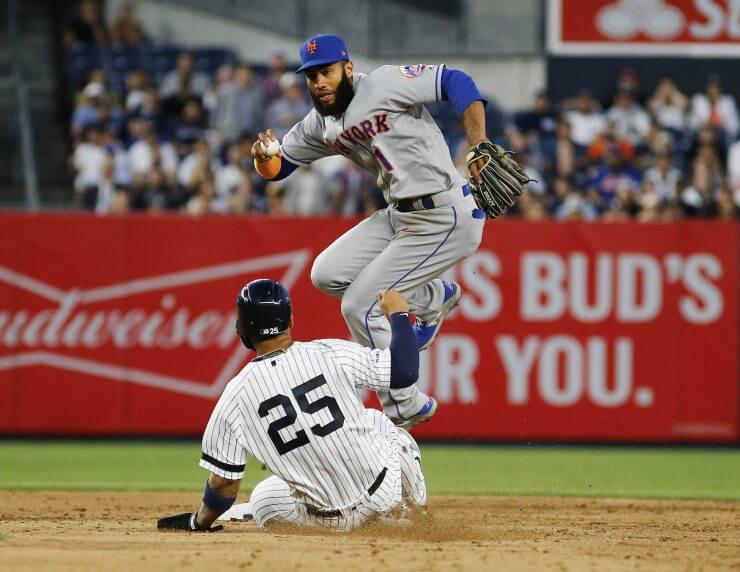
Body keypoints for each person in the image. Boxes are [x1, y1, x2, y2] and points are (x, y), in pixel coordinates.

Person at [250, 34, 496, 427]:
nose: (319, 83)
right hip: (401, 215)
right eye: (311, 76)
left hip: (445, 215)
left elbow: (456, 80)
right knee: (325, 274)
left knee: (359, 306)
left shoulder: (383, 83)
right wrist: (263, 160)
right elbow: (280, 168)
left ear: (347, 68)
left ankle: (403, 402)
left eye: (326, 72)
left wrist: (478, 142)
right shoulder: (321, 123)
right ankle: (432, 297)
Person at [156, 280, 426, 532]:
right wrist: (399, 315)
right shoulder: (328, 352)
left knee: (262, 498)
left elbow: (224, 485)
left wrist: (199, 522)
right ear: (290, 319)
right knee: (383, 425)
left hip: (327, 522)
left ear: (242, 329)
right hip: (382, 496)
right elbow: (404, 371)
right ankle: (415, 514)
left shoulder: (234, 395)